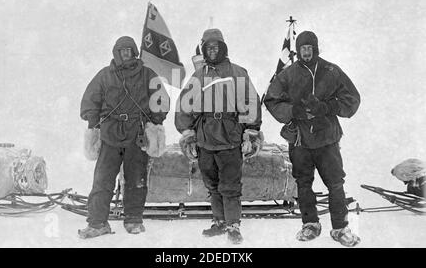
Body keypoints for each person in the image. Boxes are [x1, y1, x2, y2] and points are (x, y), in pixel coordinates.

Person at [264, 31, 361, 247]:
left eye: (310, 48)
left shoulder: (331, 71)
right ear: (297, 51)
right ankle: (310, 224)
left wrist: (328, 106)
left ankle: (340, 228)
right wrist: (294, 111)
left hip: (327, 138)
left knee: (335, 183)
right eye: (302, 48)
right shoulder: (288, 74)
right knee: (303, 183)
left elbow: (352, 99)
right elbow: (271, 100)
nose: (306, 52)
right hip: (300, 139)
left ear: (316, 48)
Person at [175, 28, 263, 244]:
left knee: (230, 184)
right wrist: (188, 134)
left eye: (216, 46)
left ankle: (233, 225)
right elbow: (184, 106)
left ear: (222, 47)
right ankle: (219, 222)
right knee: (212, 184)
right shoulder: (197, 76)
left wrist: (250, 132)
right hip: (205, 138)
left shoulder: (238, 73)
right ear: (203, 50)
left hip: (230, 136)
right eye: (208, 47)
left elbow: (252, 102)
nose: (212, 51)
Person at [78, 36, 169, 239]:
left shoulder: (147, 74)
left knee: (136, 180)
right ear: (116, 53)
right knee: (102, 180)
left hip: (136, 135)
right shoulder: (105, 75)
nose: (126, 53)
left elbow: (161, 100)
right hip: (110, 135)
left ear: (135, 52)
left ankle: (133, 220)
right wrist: (93, 122)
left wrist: (155, 121)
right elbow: (90, 100)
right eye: (122, 50)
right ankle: (97, 223)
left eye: (129, 50)